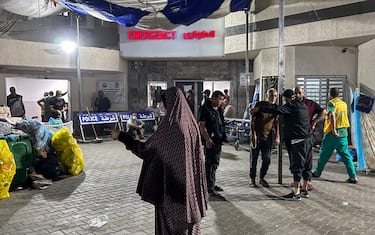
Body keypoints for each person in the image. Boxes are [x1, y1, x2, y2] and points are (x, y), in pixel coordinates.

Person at [109, 87, 208, 234]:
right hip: (190, 193)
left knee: (169, 228)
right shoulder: (191, 125)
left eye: (164, 103)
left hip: (171, 193)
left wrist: (122, 136)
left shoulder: (170, 126)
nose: (163, 107)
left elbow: (146, 150)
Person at [252, 89, 310, 200]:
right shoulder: (303, 105)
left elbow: (276, 109)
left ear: (287, 98)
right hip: (308, 139)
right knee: (307, 165)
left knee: (297, 166)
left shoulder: (290, 106)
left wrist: (259, 109)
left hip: (298, 140)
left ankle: (296, 193)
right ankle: (304, 190)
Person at [312, 88, 358, 183]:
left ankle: (317, 172)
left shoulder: (331, 103)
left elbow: (332, 115)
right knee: (346, 156)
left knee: (324, 154)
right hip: (343, 132)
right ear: (339, 94)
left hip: (332, 134)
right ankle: (353, 176)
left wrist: (333, 130)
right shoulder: (343, 104)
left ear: (330, 94)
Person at [295, 85, 326, 190]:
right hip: (296, 136)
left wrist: (314, 121)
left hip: (307, 135)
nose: (298, 95)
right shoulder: (293, 104)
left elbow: (323, 112)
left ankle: (306, 183)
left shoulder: (310, 104)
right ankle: (300, 183)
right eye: (296, 92)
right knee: (299, 161)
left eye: (299, 92)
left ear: (303, 93)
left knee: (307, 161)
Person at [249, 88, 280, 188]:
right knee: (254, 159)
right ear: (267, 95)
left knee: (266, 159)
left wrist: (277, 136)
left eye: (275, 96)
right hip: (257, 136)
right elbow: (253, 120)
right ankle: (252, 179)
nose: (273, 98)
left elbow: (276, 123)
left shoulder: (276, 108)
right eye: (271, 95)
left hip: (268, 137)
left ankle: (262, 177)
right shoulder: (260, 105)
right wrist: (253, 134)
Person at [198, 90, 227, 195]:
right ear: (214, 98)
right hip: (211, 140)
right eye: (220, 99)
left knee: (215, 162)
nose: (221, 102)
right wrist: (207, 139)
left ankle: (212, 183)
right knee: (210, 163)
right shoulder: (206, 108)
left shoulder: (218, 109)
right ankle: (208, 186)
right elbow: (201, 125)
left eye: (222, 100)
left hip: (218, 139)